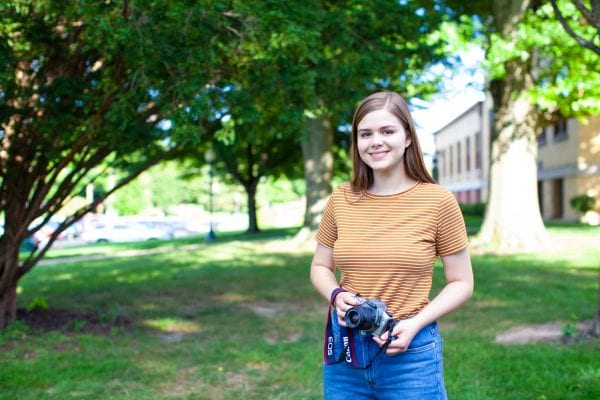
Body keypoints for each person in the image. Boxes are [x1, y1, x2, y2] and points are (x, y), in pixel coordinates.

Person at [310, 91, 473, 399]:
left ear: (408, 137)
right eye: (365, 133)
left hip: (411, 351)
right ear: (356, 142)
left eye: (387, 131)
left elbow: (462, 282)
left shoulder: (438, 201)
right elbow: (320, 266)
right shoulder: (341, 198)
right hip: (346, 351)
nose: (376, 142)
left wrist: (415, 324)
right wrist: (336, 294)